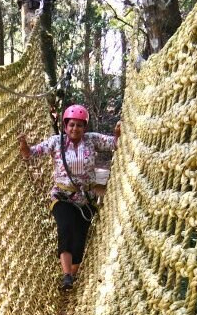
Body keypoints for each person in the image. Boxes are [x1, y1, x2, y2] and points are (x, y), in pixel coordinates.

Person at [18, 104, 121, 290]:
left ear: (85, 127)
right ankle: (66, 275)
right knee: (65, 228)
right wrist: (24, 145)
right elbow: (31, 154)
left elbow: (114, 143)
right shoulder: (56, 142)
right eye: (72, 125)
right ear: (65, 126)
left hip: (85, 200)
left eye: (80, 125)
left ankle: (71, 278)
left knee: (79, 241)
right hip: (62, 196)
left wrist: (118, 134)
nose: (75, 129)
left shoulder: (92, 140)